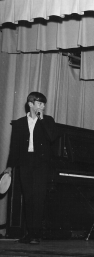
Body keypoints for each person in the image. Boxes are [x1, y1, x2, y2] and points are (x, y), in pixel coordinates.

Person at [3, 92, 57, 245]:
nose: (43, 106)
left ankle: (36, 234)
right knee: (28, 198)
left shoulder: (48, 121)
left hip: (41, 164)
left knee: (38, 199)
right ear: (31, 104)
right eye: (40, 103)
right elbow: (14, 147)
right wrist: (9, 167)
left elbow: (52, 137)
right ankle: (29, 233)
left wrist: (41, 119)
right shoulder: (19, 123)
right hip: (25, 164)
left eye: (44, 104)